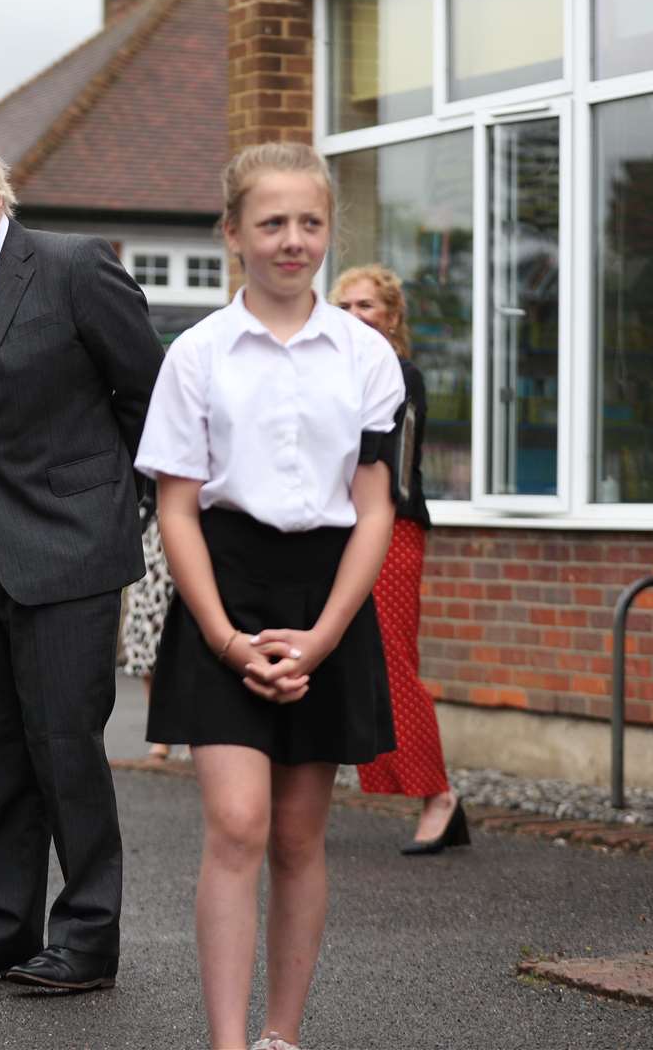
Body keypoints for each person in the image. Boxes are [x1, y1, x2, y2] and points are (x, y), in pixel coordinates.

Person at [136, 143, 404, 1050]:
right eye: (272, 223)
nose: (293, 241)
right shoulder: (196, 356)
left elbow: (375, 511)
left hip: (328, 594)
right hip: (225, 588)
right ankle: (226, 1041)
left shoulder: (367, 357)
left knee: (296, 836)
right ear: (233, 234)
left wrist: (326, 637)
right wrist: (222, 637)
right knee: (238, 824)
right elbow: (176, 507)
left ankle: (281, 1037)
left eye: (311, 223)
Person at [0, 128, 164, 992]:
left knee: (64, 750)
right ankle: (5, 928)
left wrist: (119, 506)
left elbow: (149, 394)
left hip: (69, 550)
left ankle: (86, 938)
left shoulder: (74, 266)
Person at [331, 264, 466, 856]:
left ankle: (439, 797)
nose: (357, 317)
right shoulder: (330, 374)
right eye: (347, 306)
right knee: (342, 665)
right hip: (335, 530)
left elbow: (394, 469)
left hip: (391, 529)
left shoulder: (400, 375)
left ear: (392, 316)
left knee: (390, 660)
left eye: (369, 307)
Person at [122, 478, 176, 761]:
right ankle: (159, 735)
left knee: (182, 639)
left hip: (185, 531)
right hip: (147, 535)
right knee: (146, 639)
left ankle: (192, 735)